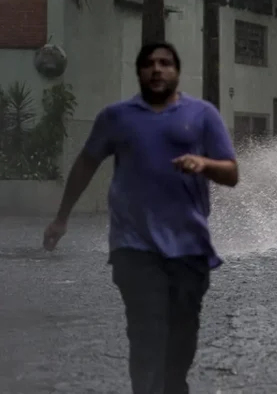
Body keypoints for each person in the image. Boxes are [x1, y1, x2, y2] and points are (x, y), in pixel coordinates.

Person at [42, 42, 239, 394]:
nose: (157, 69)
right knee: (146, 333)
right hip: (133, 247)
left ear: (177, 72)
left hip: (189, 248)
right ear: (139, 72)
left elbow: (231, 174)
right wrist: (62, 218)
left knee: (181, 340)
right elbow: (86, 164)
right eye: (149, 64)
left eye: (165, 63)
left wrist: (204, 164)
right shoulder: (116, 118)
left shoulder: (203, 115)